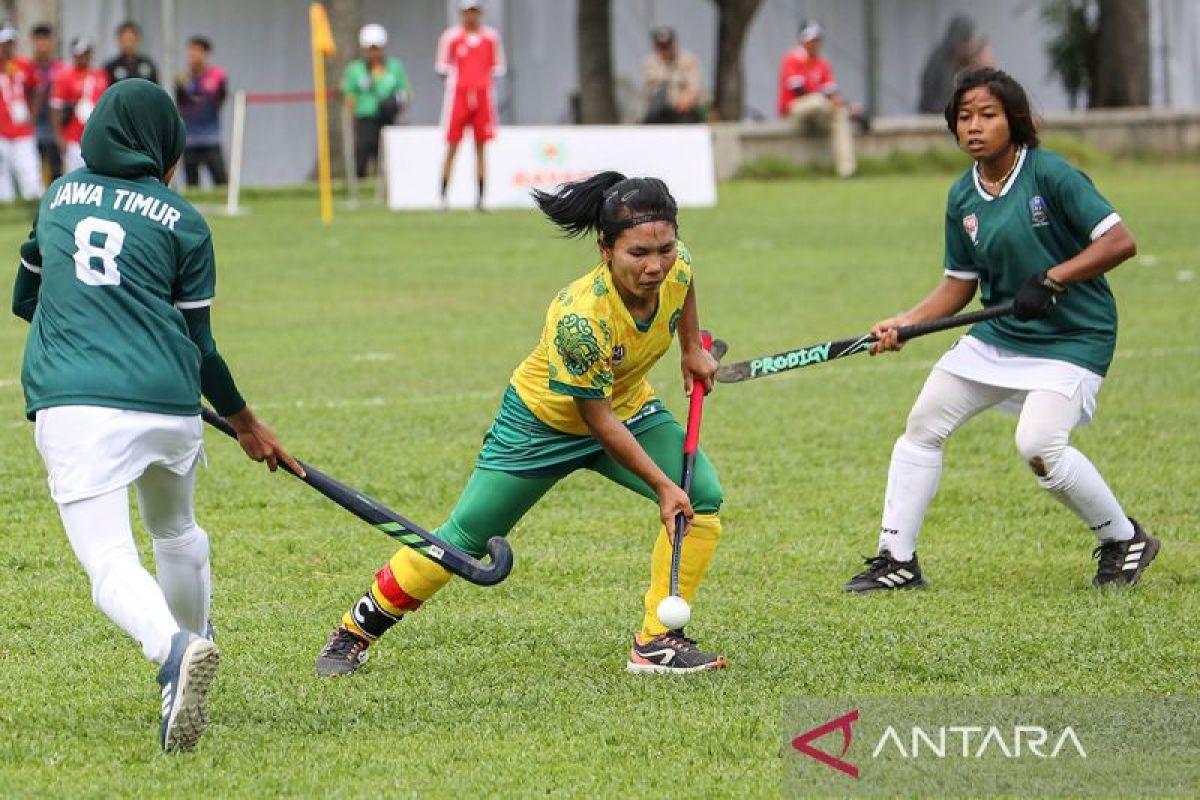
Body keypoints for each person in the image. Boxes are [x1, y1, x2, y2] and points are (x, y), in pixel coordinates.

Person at [314, 171, 729, 677]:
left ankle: (656, 641)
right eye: (638, 254)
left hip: (626, 407)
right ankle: (354, 631)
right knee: (464, 537)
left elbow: (683, 288)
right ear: (605, 250)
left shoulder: (677, 266)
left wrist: (690, 349)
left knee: (701, 497)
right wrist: (662, 485)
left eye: (664, 248)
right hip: (542, 425)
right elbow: (594, 418)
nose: (655, 265)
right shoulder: (581, 316)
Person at [12, 78, 299, 751]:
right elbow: (201, 347)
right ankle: (196, 641)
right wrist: (248, 423)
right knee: (175, 529)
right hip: (170, 407)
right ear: (164, 144)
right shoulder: (184, 219)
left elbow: (27, 299)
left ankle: (173, 652)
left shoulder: (56, 198)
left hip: (77, 405)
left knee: (111, 560)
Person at [844, 68, 1159, 593]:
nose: (974, 127)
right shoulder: (962, 197)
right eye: (964, 117)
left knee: (1038, 444)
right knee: (923, 425)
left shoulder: (1052, 175)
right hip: (1000, 338)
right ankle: (896, 560)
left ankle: (1123, 538)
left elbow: (1120, 242)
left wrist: (1054, 278)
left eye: (987, 115)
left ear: (1014, 121)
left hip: (1073, 338)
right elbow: (958, 286)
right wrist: (907, 322)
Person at [436, 0, 505, 211]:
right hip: (458, 97)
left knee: (481, 147)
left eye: (474, 11)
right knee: (452, 146)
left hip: (483, 97)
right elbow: (442, 68)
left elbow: (498, 67)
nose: (471, 16)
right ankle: (443, 197)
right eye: (467, 12)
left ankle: (481, 199)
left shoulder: (491, 38)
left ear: (480, 12)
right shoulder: (451, 37)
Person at [777, 20, 857, 178]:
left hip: (820, 112)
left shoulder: (822, 64)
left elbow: (832, 92)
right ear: (802, 40)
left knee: (840, 115)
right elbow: (798, 90)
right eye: (812, 40)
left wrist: (847, 106)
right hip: (796, 110)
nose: (816, 44)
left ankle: (847, 170)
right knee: (818, 101)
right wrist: (829, 101)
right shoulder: (792, 60)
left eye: (818, 40)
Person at [342, 23, 411, 178]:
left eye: (377, 48)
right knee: (365, 147)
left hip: (389, 115)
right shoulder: (355, 69)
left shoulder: (394, 67)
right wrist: (351, 110)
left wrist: (396, 101)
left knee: (387, 151)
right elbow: (349, 93)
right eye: (370, 48)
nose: (374, 52)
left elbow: (405, 90)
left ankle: (388, 180)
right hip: (366, 116)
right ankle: (361, 180)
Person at [49, 36, 108, 174]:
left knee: (97, 177)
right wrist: (59, 137)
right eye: (80, 53)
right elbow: (55, 108)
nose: (84, 57)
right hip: (73, 137)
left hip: (96, 137)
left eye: (87, 53)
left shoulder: (100, 75)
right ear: (74, 54)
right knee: (76, 175)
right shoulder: (64, 76)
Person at [174, 35, 227, 188]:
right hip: (190, 139)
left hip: (211, 138)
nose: (193, 56)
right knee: (192, 184)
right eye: (190, 52)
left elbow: (221, 101)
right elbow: (180, 105)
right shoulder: (182, 79)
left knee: (221, 181)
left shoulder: (217, 76)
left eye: (197, 52)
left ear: (206, 54)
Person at [0, 22, 43, 201]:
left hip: (23, 129)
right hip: (1, 131)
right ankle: (5, 209)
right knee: (2, 176)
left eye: (11, 42)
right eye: (5, 43)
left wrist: (33, 116)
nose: (9, 47)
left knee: (30, 171)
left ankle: (35, 207)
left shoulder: (25, 65)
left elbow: (37, 89)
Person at [917, 14, 993, 114]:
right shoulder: (942, 60)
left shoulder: (965, 64)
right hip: (933, 117)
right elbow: (941, 101)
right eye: (968, 41)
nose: (971, 47)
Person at [640, 25, 703, 124]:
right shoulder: (650, 62)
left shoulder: (688, 60)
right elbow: (649, 91)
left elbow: (694, 89)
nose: (665, 49)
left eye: (667, 45)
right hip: (659, 114)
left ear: (674, 44)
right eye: (661, 46)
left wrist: (685, 100)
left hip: (684, 113)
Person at [28, 22, 63, 183]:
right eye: (38, 40)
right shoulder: (27, 67)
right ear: (33, 42)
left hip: (55, 125)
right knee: (32, 165)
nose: (42, 44)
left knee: (56, 165)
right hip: (33, 125)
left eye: (45, 39)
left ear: (51, 42)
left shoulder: (59, 68)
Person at [103, 20, 159, 85]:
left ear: (138, 40)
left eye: (131, 40)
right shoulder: (110, 67)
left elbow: (156, 91)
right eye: (125, 40)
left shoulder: (148, 65)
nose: (128, 45)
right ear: (119, 41)